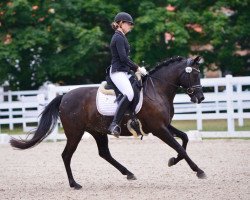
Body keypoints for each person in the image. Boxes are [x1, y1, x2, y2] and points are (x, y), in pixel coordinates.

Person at [108, 12, 147, 138]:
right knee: (129, 94)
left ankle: (133, 119)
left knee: (138, 87)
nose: (130, 26)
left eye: (131, 24)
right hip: (117, 72)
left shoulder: (122, 36)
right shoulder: (118, 37)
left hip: (124, 71)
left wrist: (135, 71)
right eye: (128, 23)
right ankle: (114, 124)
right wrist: (137, 68)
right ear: (120, 23)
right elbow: (124, 58)